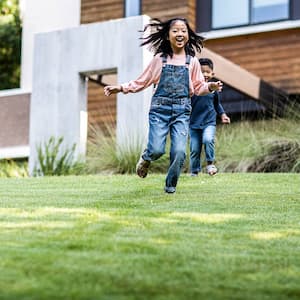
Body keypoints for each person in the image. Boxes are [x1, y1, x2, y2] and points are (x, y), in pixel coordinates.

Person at [104, 18, 222, 193]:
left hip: (182, 111)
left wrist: (210, 87)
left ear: (188, 36)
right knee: (157, 149)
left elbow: (198, 88)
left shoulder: (192, 62)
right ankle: (146, 158)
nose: (180, 34)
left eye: (183, 30)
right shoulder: (160, 59)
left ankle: (170, 186)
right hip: (160, 111)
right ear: (167, 36)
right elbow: (141, 81)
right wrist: (121, 88)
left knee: (180, 152)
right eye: (175, 31)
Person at [189, 58, 230, 176]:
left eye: (207, 72)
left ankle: (210, 164)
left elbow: (217, 104)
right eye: (202, 72)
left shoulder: (213, 89)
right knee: (195, 149)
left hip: (209, 122)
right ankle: (194, 171)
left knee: (208, 139)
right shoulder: (192, 88)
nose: (205, 74)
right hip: (193, 123)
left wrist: (223, 115)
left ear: (212, 74)